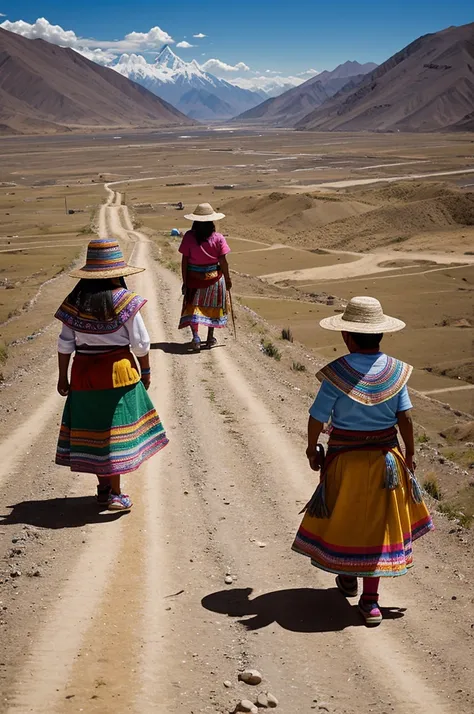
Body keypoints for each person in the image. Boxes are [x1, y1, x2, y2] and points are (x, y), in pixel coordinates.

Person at [292, 296, 433, 626]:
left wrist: (312, 448)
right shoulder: (396, 372)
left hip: (344, 462)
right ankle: (371, 601)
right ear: (380, 334)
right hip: (386, 462)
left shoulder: (338, 373)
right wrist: (410, 455)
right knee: (376, 527)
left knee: (346, 518)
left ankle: (348, 577)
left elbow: (317, 417)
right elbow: (406, 419)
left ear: (346, 336)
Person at [54, 238, 169, 512]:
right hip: (119, 375)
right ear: (118, 272)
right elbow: (140, 343)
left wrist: (63, 377)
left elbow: (64, 343)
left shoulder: (74, 302)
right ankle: (116, 494)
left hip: (83, 375)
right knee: (112, 434)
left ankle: (104, 488)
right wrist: (147, 370)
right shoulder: (125, 301)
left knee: (93, 431)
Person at [178, 203, 232, 351]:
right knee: (213, 308)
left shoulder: (189, 237)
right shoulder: (218, 238)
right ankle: (209, 338)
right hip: (214, 278)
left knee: (193, 308)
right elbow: (223, 261)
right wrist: (227, 279)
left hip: (194, 278)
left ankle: (195, 337)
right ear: (212, 222)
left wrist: (185, 280)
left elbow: (184, 261)